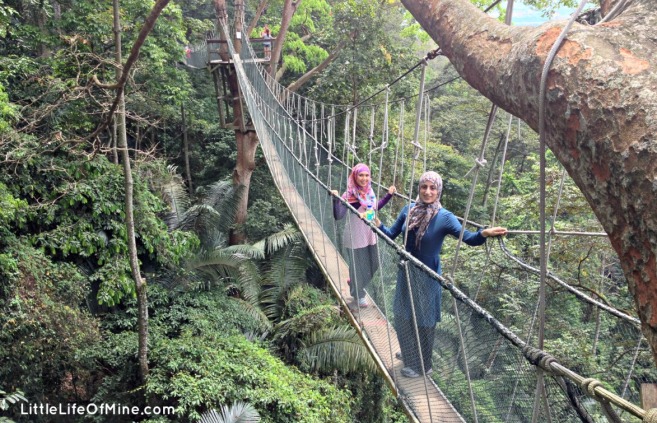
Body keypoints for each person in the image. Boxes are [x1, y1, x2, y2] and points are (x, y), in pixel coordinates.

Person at [377, 171, 507, 378]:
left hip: (428, 276)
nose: (428, 192)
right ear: (419, 188)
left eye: (433, 188)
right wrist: (377, 224)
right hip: (406, 270)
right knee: (402, 313)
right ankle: (411, 352)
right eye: (424, 187)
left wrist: (483, 234)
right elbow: (391, 234)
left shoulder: (445, 217)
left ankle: (423, 366)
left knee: (424, 320)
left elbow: (469, 238)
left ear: (439, 191)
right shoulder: (408, 209)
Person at [331, 163, 396, 308]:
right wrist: (335, 200)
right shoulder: (349, 195)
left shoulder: (369, 193)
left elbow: (375, 208)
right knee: (356, 268)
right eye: (361, 175)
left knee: (374, 264)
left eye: (367, 175)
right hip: (355, 237)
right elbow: (338, 216)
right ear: (355, 176)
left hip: (369, 234)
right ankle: (358, 294)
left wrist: (389, 196)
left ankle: (354, 282)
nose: (364, 178)